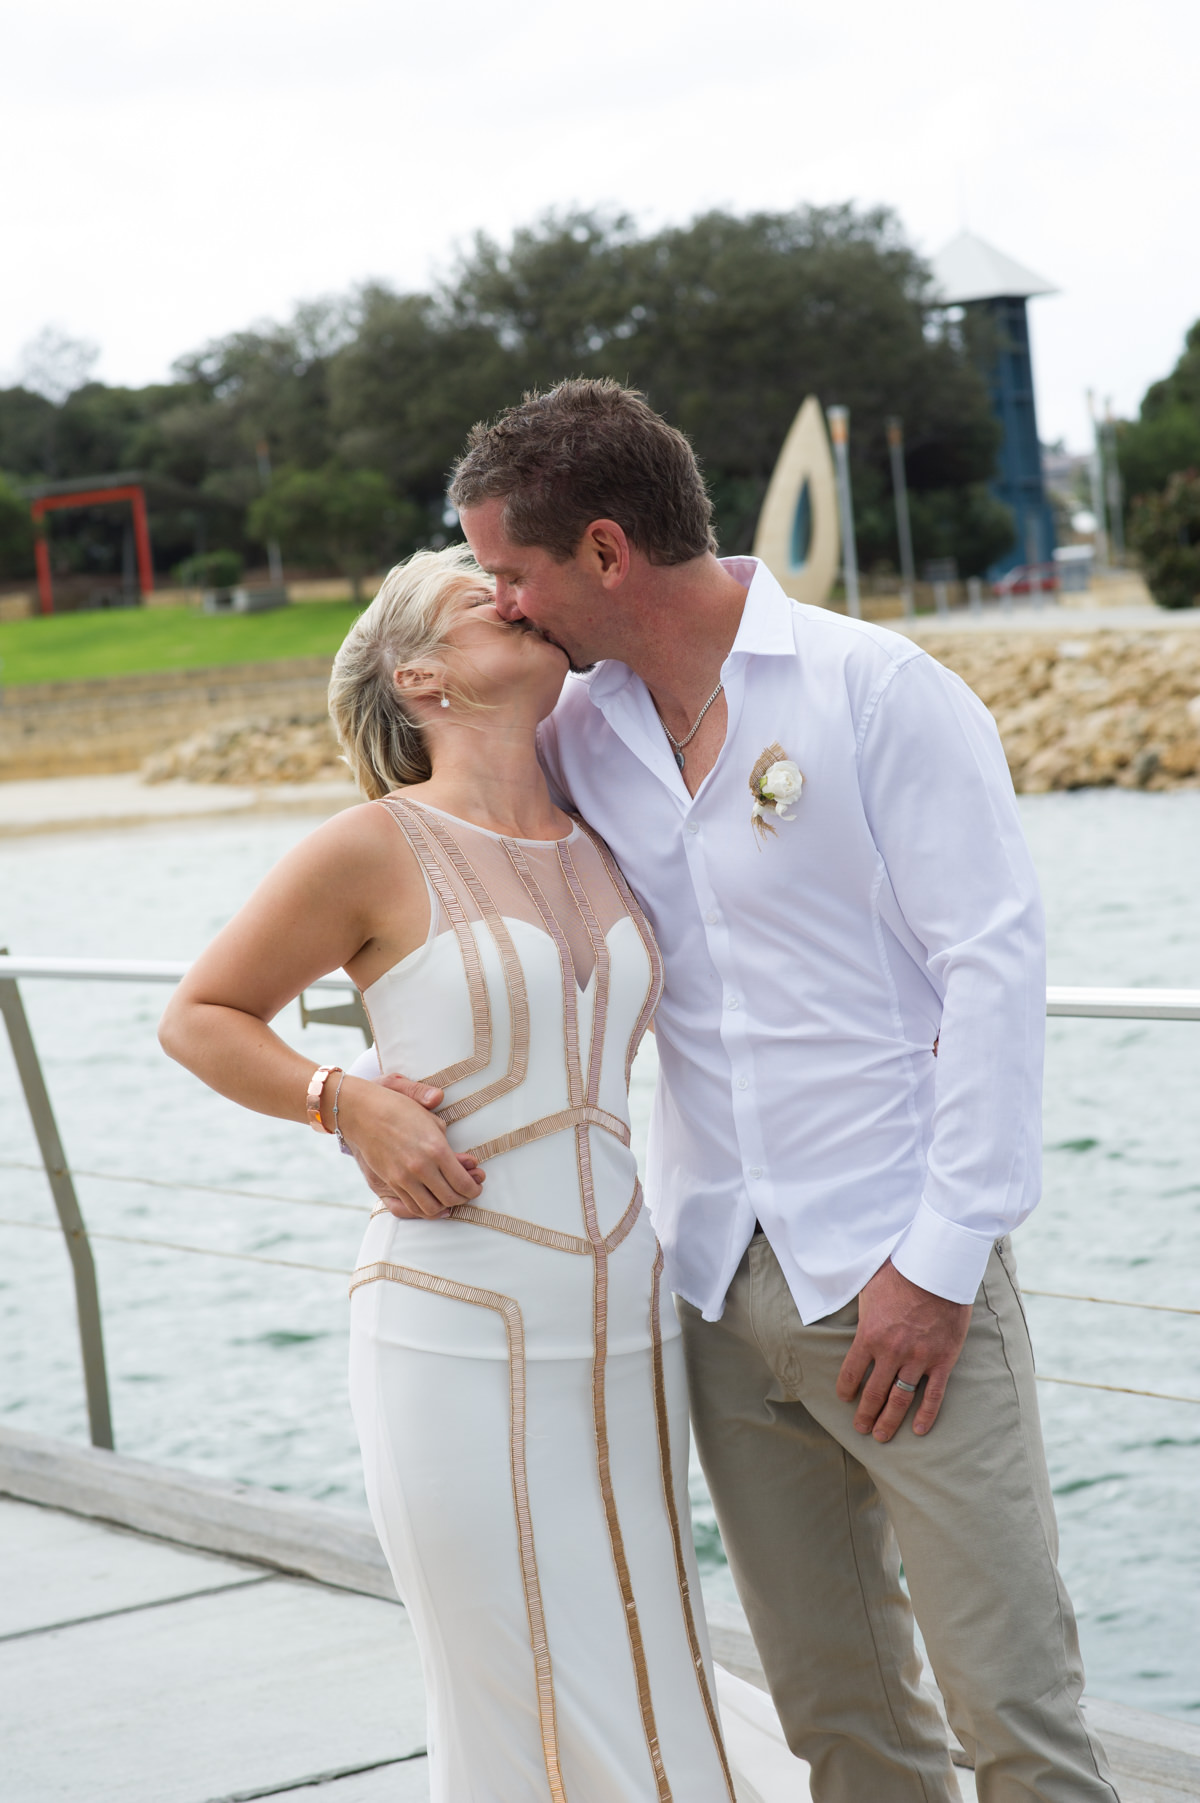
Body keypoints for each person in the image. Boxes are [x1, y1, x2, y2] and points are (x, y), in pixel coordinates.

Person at [373, 380, 1121, 1802]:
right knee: (840, 1717)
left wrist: (942, 1262)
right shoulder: (580, 739)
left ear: (604, 552)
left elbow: (995, 973)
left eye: (512, 571)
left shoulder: (876, 691)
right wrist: (361, 1083)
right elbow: (464, 907)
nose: (504, 602)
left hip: (906, 1277)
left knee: (1016, 1712)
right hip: (715, 1289)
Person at [157, 547, 791, 1803]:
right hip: (450, 1319)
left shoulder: (607, 825)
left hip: (628, 1322)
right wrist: (343, 1103)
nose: (513, 599)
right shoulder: (371, 847)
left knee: (647, 1644)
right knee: (517, 1684)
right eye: (475, 600)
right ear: (423, 678)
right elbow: (201, 1016)